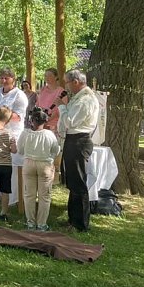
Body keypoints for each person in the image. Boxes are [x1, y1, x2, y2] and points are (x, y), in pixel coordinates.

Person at [58, 69, 101, 232]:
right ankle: (72, 219)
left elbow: (70, 121)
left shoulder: (86, 99)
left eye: (67, 82)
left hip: (80, 140)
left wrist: (62, 107)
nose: (66, 86)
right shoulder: (78, 97)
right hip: (72, 140)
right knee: (72, 181)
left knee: (79, 183)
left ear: (76, 82)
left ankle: (81, 224)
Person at [0, 67, 29, 207]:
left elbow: (19, 117)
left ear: (13, 79)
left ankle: (12, 197)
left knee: (11, 166)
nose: (4, 81)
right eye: (2, 78)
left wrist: (2, 115)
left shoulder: (19, 95)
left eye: (7, 78)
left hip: (12, 134)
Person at [18, 107, 61, 231]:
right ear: (45, 121)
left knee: (29, 195)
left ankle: (30, 223)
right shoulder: (49, 134)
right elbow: (56, 150)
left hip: (29, 163)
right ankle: (42, 224)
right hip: (45, 164)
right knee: (44, 196)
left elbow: (20, 150)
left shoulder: (25, 133)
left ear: (32, 121)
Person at [35, 68, 63, 133]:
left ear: (56, 77)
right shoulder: (42, 90)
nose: (46, 77)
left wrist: (46, 120)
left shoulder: (61, 92)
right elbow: (38, 104)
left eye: (49, 75)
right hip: (40, 124)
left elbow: (60, 110)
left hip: (53, 126)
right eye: (45, 76)